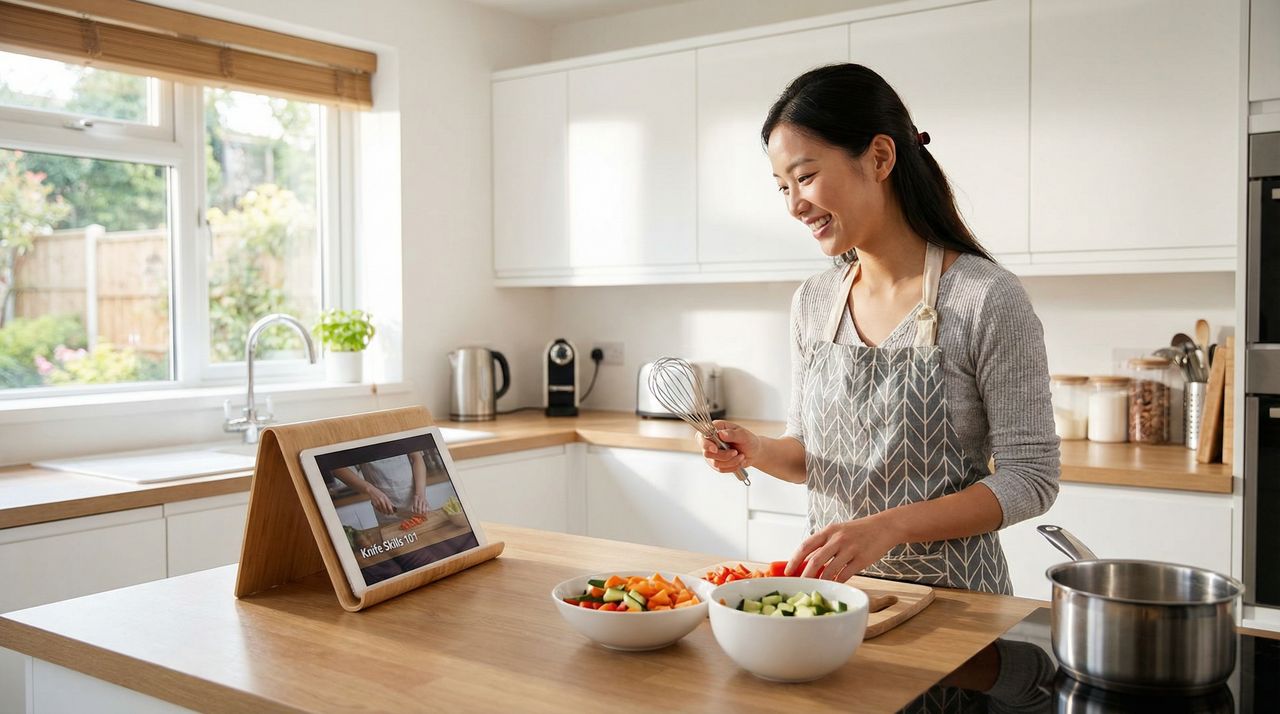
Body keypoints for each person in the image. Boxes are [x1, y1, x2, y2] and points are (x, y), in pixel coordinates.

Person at [699, 64, 1059, 594]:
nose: (795, 205)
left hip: (954, 607)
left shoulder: (986, 298)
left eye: (805, 177)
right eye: (782, 187)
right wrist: (757, 448)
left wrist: (889, 528)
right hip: (831, 602)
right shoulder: (814, 302)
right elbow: (812, 456)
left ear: (880, 157)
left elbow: (1031, 479)